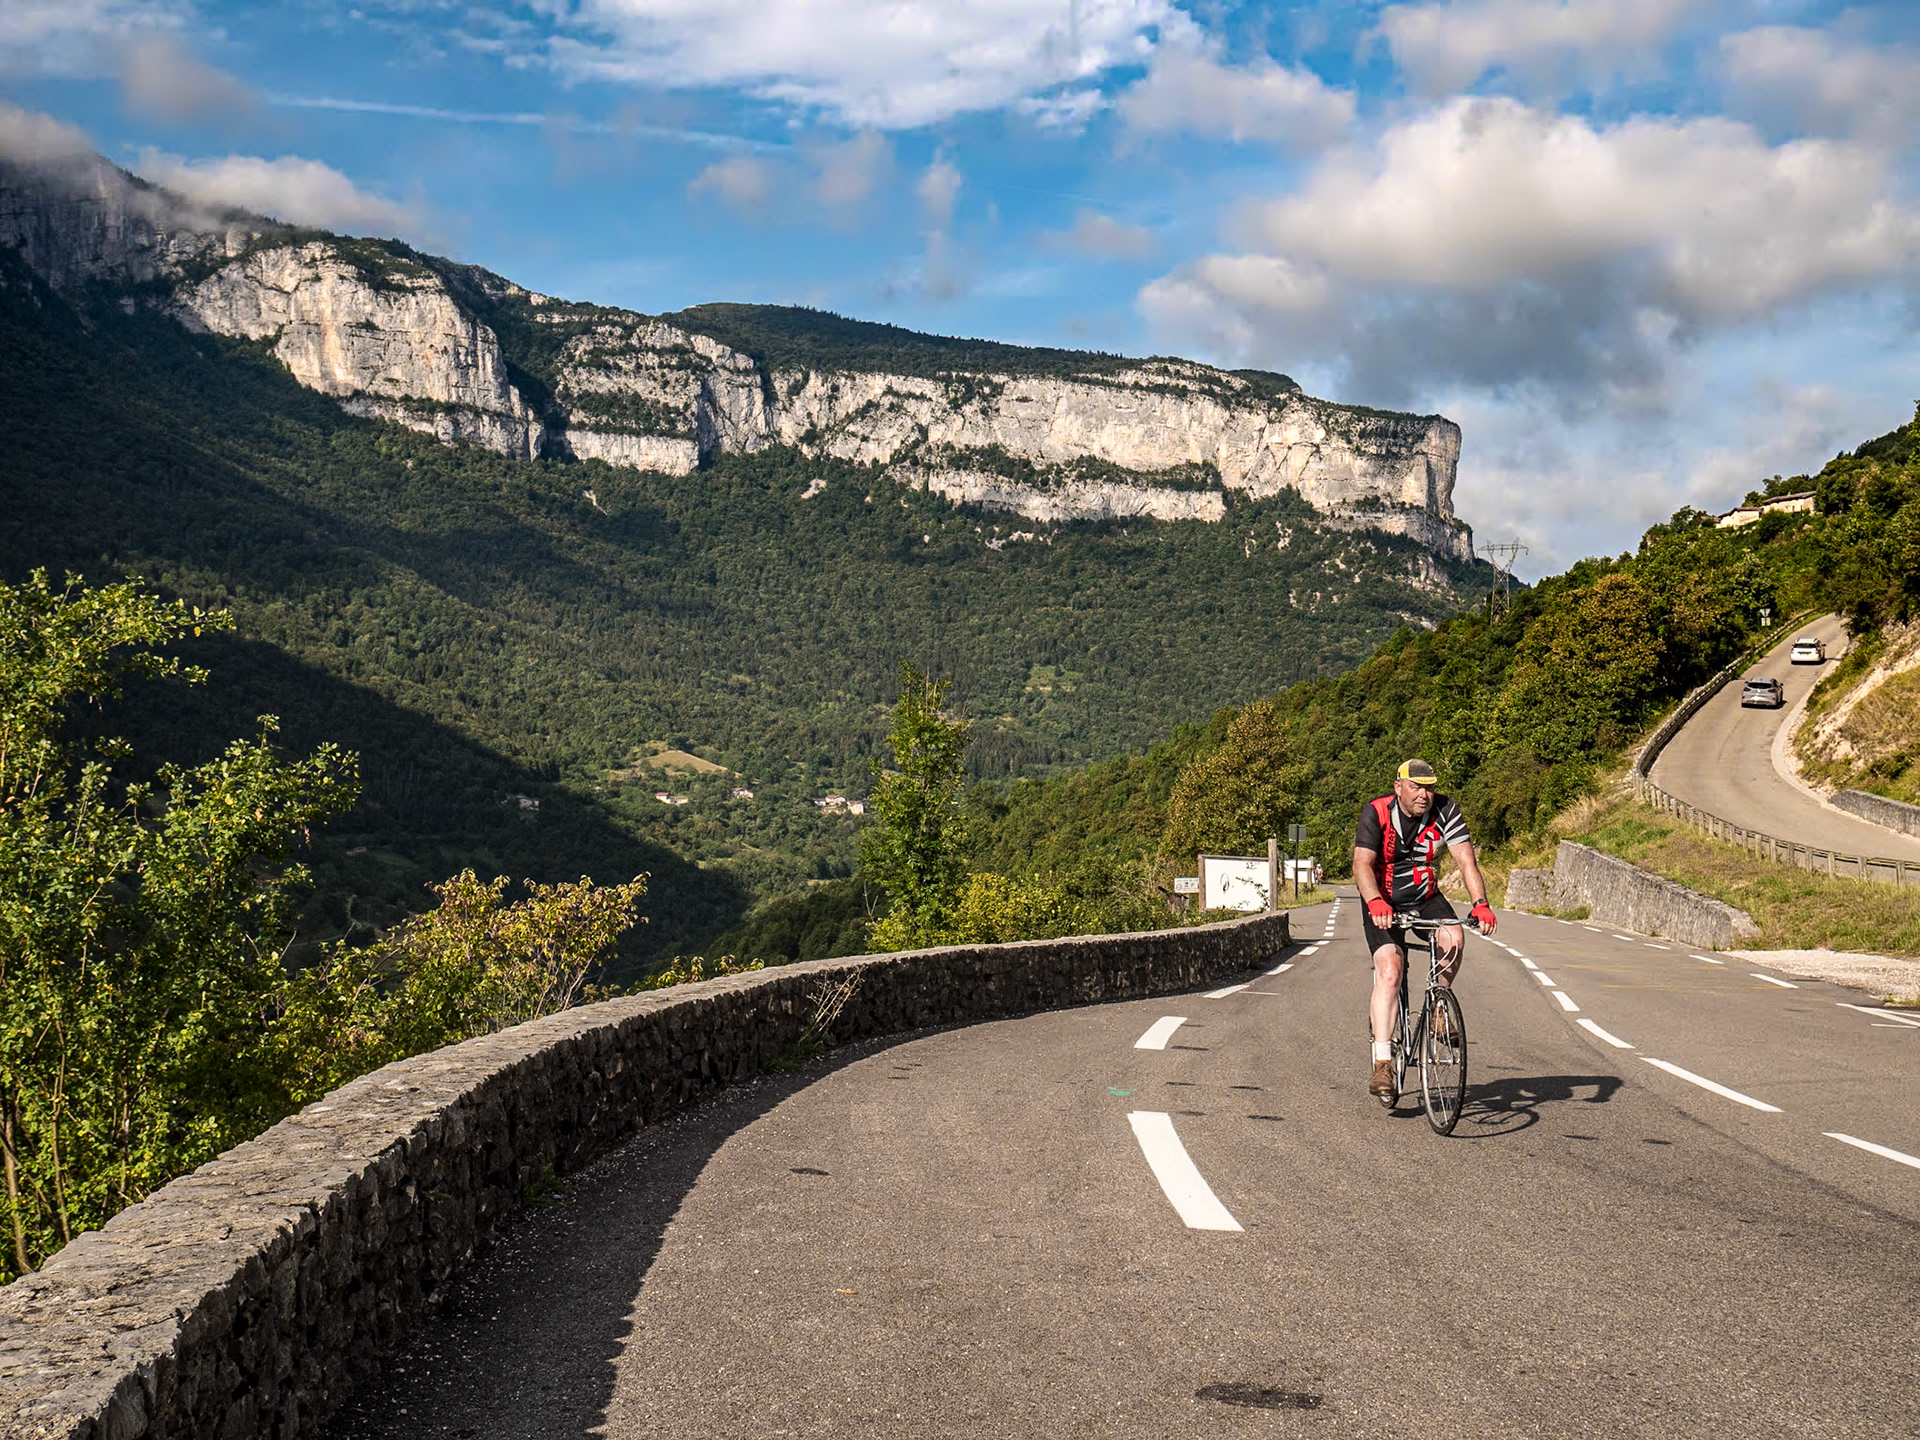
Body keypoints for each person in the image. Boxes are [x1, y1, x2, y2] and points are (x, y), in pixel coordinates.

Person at [1352, 759, 1497, 1101]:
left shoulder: (1446, 810)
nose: (1425, 795)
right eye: (1417, 787)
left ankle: (1436, 1009)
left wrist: (1480, 903)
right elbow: (1361, 864)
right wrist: (1375, 902)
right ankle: (1383, 1061)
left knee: (1453, 937)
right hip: (1382, 897)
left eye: (1430, 787)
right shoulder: (1377, 812)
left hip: (1425, 895)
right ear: (1398, 786)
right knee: (1390, 968)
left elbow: (1466, 861)